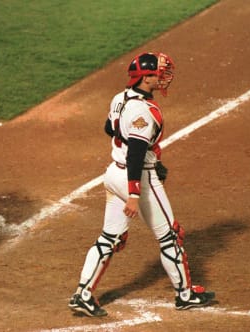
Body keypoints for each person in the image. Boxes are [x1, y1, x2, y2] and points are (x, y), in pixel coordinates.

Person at [68, 52, 215, 317]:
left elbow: (109, 128)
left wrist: (144, 152)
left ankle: (82, 294)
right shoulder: (143, 111)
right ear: (145, 78)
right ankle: (185, 295)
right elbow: (136, 152)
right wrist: (134, 193)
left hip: (113, 173)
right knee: (170, 236)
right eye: (158, 73)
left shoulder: (120, 98)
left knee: (109, 238)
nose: (163, 76)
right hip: (137, 179)